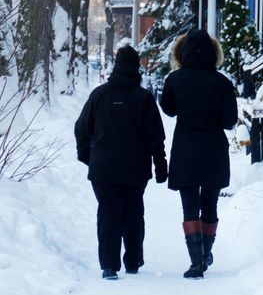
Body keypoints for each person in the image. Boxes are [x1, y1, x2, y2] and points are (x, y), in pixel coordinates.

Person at [74, 45, 168, 280]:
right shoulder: (144, 99)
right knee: (134, 212)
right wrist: (160, 164)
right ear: (137, 68)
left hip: (103, 168)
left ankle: (109, 265)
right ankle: (133, 260)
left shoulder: (99, 95)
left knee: (108, 214)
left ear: (116, 66)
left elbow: (81, 129)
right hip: (135, 169)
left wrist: (86, 156)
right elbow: (155, 136)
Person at [160, 29, 238, 279]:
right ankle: (206, 254)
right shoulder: (222, 83)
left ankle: (195, 262)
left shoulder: (174, 80)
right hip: (214, 149)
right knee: (210, 203)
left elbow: (168, 110)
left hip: (185, 149)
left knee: (189, 206)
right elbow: (229, 121)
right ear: (214, 53)